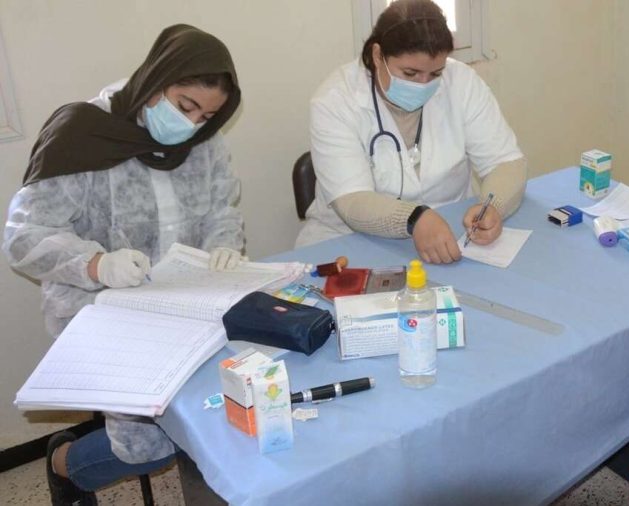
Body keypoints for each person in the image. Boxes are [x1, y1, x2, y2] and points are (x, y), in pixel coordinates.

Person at [3, 24, 243, 505]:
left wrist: (225, 247)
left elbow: (222, 209)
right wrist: (96, 264)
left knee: (222, 402)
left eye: (207, 115)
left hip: (184, 301)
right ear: (155, 83)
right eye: (185, 106)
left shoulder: (204, 140)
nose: (193, 124)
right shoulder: (82, 133)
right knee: (147, 446)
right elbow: (23, 237)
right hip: (98, 307)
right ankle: (64, 464)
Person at [295, 0, 527, 264]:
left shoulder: (462, 83)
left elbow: (506, 162)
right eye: (410, 73)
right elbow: (352, 201)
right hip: (348, 243)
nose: (423, 84)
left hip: (448, 236)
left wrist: (492, 208)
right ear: (377, 55)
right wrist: (415, 218)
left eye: (435, 73)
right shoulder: (336, 100)